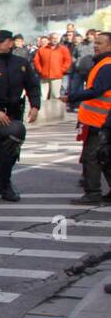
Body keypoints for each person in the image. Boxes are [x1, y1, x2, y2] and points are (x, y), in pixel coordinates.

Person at [0, 30, 41, 202]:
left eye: (2, 41)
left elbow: (32, 85)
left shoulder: (21, 63)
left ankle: (0, 184)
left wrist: (35, 105)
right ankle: (5, 186)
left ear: (11, 43)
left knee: (10, 151)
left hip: (14, 112)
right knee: (4, 150)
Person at [61, 30, 111, 204]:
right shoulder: (102, 63)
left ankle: (93, 193)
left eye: (99, 43)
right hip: (101, 120)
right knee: (105, 156)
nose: (95, 46)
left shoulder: (106, 65)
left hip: (101, 121)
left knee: (93, 157)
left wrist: (72, 97)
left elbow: (97, 91)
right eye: (95, 43)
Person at [33, 33, 72, 118]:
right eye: (53, 38)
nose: (55, 40)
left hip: (57, 76)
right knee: (43, 95)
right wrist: (40, 70)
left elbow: (68, 60)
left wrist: (62, 70)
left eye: (56, 38)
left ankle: (55, 114)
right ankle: (43, 114)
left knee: (55, 95)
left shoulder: (63, 49)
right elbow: (36, 61)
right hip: (44, 76)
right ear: (49, 39)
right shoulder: (42, 49)